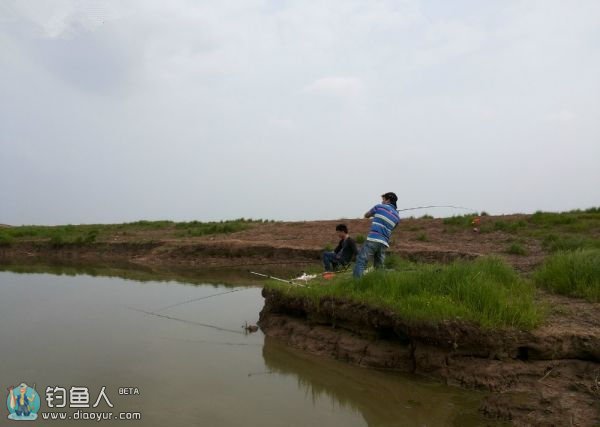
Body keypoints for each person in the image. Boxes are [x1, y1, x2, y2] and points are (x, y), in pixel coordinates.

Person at [353, 192, 401, 278]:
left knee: (361, 260)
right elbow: (392, 228)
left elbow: (366, 215)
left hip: (373, 239)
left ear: (388, 200)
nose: (382, 202)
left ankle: (357, 284)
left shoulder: (379, 207)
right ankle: (380, 283)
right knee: (379, 266)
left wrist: (376, 214)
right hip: (384, 243)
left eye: (383, 199)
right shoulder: (397, 217)